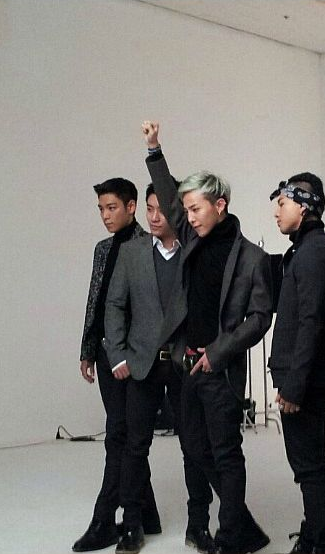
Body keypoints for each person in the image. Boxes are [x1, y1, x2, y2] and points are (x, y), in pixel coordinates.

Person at [142, 119, 273, 554]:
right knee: (196, 449)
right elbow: (169, 198)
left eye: (196, 209)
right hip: (188, 365)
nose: (189, 217)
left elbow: (260, 318)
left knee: (226, 453)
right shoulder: (193, 239)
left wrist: (218, 353)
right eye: (187, 210)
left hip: (219, 368)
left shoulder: (252, 258)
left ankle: (232, 535)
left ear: (220, 205)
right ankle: (245, 525)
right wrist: (155, 150)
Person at [104, 183, 215, 554]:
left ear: (177, 212)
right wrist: (117, 355)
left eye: (161, 210)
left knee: (194, 446)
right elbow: (115, 305)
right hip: (141, 365)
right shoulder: (132, 252)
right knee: (135, 446)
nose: (153, 217)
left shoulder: (195, 250)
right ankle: (131, 525)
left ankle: (198, 525)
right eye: (148, 208)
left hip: (185, 365)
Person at [74, 178, 161, 552]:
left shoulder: (147, 246)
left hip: (135, 356)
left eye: (112, 208)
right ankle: (148, 514)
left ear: (131, 207)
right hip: (106, 354)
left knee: (120, 436)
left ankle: (105, 518)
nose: (105, 216)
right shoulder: (103, 249)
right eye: (101, 209)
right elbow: (95, 302)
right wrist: (87, 349)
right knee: (123, 433)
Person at [267, 174, 325, 554]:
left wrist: (295, 386)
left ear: (303, 206)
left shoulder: (314, 253)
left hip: (306, 382)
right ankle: (316, 537)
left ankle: (318, 543)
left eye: (282, 204)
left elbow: (311, 323)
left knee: (309, 466)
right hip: (304, 378)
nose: (276, 213)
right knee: (308, 464)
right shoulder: (306, 250)